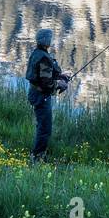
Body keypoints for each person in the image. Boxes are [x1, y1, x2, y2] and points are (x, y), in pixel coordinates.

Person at [25, 27, 69, 161]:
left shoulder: (37, 53)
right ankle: (37, 156)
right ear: (46, 41)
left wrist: (60, 75)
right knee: (45, 128)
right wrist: (59, 84)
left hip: (35, 93)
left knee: (41, 125)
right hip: (41, 96)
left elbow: (43, 76)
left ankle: (38, 153)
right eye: (50, 38)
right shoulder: (44, 58)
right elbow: (46, 83)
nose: (52, 40)